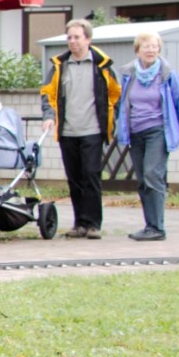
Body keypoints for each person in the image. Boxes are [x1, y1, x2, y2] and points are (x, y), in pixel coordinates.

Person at [40, 18, 121, 239]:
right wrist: (49, 116)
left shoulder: (101, 66)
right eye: (69, 37)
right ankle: (79, 223)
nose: (72, 41)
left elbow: (116, 94)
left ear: (88, 39)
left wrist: (111, 119)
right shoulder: (60, 66)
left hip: (93, 130)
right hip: (67, 132)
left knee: (91, 176)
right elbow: (48, 94)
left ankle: (93, 223)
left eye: (77, 37)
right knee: (74, 178)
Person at [114, 30, 179, 241]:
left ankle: (158, 228)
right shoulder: (129, 74)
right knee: (143, 180)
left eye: (154, 46)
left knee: (152, 176)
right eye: (145, 46)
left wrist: (174, 132)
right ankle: (149, 226)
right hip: (136, 133)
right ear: (137, 50)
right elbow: (121, 104)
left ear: (159, 49)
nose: (150, 50)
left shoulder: (167, 74)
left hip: (157, 131)